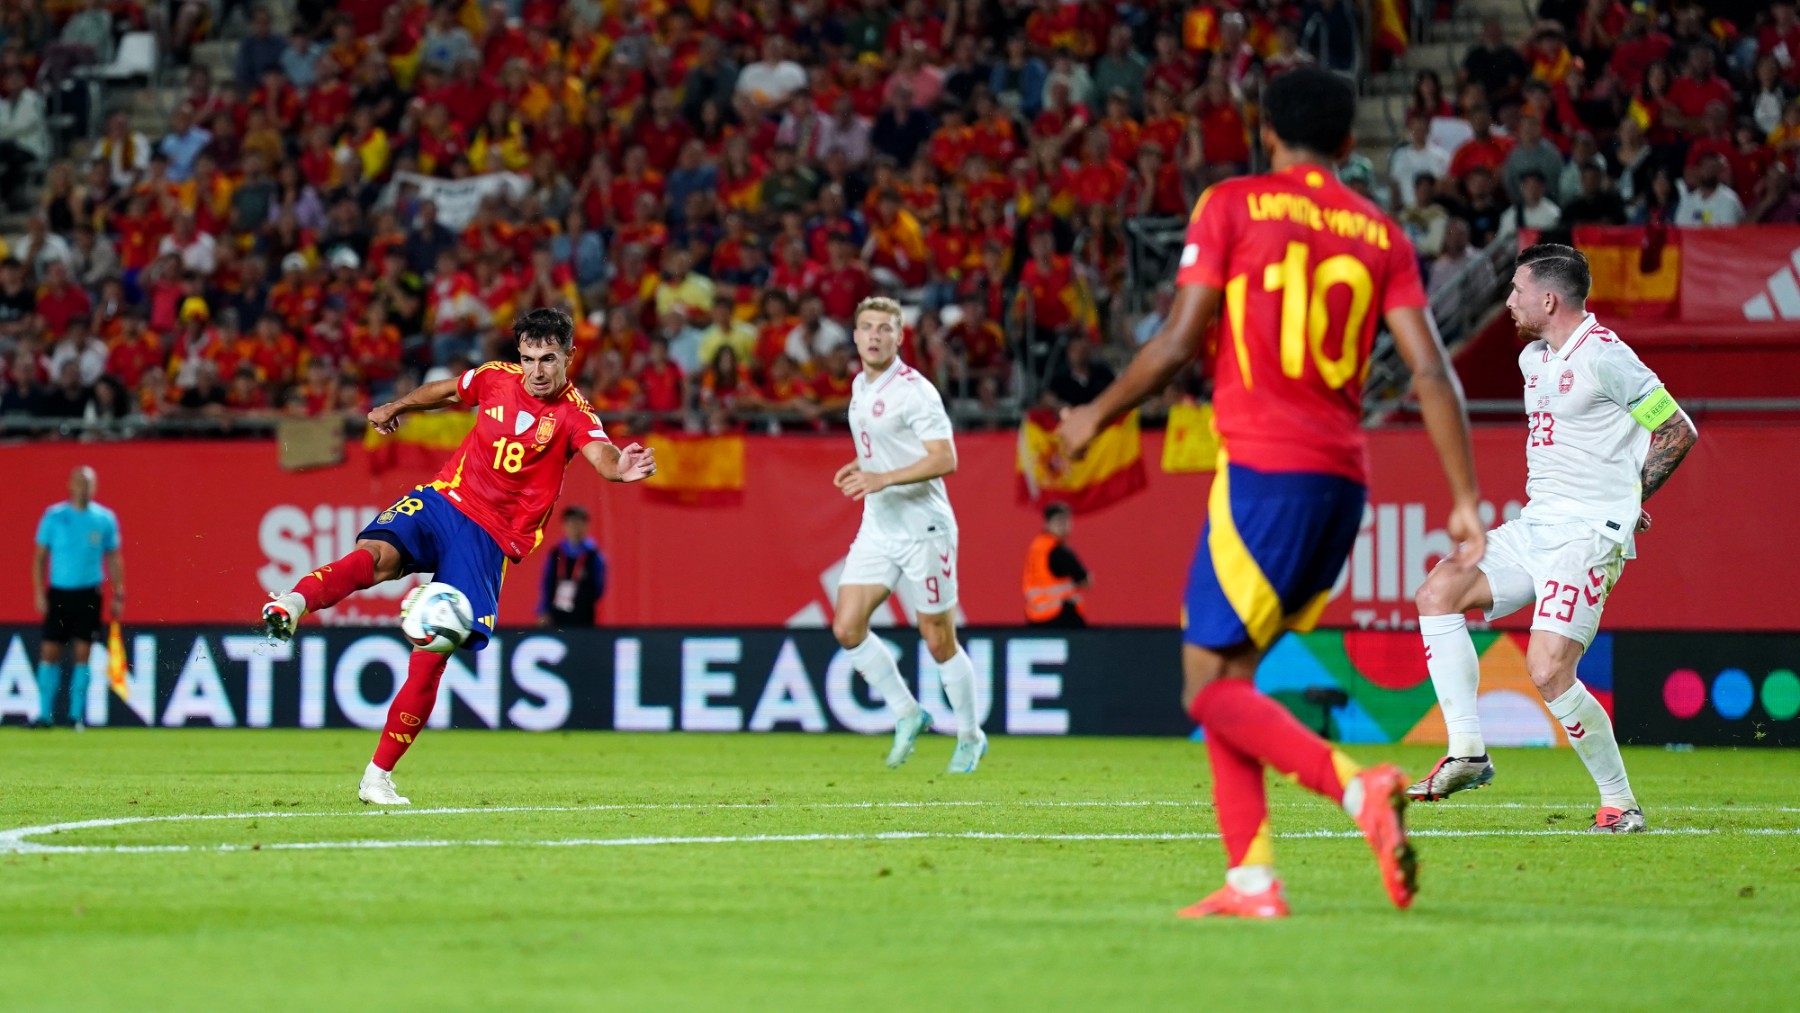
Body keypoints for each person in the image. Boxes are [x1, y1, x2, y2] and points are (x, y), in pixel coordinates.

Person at [1055, 66, 1486, 920]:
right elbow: (1432, 369)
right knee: (1234, 675)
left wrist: (1096, 414)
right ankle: (1252, 882)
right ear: (1347, 142)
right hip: (1341, 481)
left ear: (1266, 130)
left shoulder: (1233, 204)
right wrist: (1465, 495)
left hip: (1262, 473)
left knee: (1202, 686)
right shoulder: (1379, 233)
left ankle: (1358, 786)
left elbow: (1180, 340)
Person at [258, 309, 656, 805]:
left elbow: (603, 457)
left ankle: (376, 777)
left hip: (489, 540)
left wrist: (624, 467)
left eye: (549, 359)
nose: (537, 370)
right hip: (445, 499)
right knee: (375, 555)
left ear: (569, 358)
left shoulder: (575, 415)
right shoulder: (495, 379)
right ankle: (292, 605)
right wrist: (395, 406)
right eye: (529, 358)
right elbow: (444, 391)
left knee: (433, 652)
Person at [1408, 244, 1698, 833]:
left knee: (1546, 669)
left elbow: (1676, 428)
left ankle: (1620, 804)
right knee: (1438, 591)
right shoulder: (1534, 360)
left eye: (1516, 290)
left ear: (1549, 298)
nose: (1508, 300)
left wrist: (1629, 496)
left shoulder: (1606, 355)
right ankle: (1467, 752)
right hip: (1537, 523)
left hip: (1587, 535)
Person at [832, 296, 986, 773]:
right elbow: (890, 448)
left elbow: (945, 458)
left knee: (937, 638)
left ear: (900, 338)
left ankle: (969, 734)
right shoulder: (860, 385)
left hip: (925, 527)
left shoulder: (915, 391)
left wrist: (881, 478)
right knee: (847, 626)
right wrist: (863, 466)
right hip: (879, 525)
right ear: (855, 336)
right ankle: (907, 712)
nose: (874, 336)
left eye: (884, 329)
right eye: (867, 328)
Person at [30, 466, 123, 729]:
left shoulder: (104, 518)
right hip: (59, 592)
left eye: (89, 482)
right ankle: (44, 715)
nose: (84, 486)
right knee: (50, 651)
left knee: (83, 653)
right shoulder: (55, 516)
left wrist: (119, 593)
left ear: (95, 486)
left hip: (88, 593)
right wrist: (39, 591)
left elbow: (114, 557)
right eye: (80, 481)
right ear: (70, 484)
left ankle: (75, 716)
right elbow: (39, 558)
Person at [537, 505, 607, 628]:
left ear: (586, 526)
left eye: (579, 523)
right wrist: (543, 611)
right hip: (556, 616)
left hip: (584, 617)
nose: (575, 527)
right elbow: (546, 584)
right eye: (571, 523)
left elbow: (599, 588)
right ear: (564, 526)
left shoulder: (594, 556)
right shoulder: (555, 554)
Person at [1022, 503, 1088, 627]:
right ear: (1047, 524)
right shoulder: (1058, 551)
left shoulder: (1036, 548)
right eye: (1058, 522)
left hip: (1035, 617)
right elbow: (1084, 580)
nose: (1062, 526)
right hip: (1060, 616)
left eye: (1065, 521)